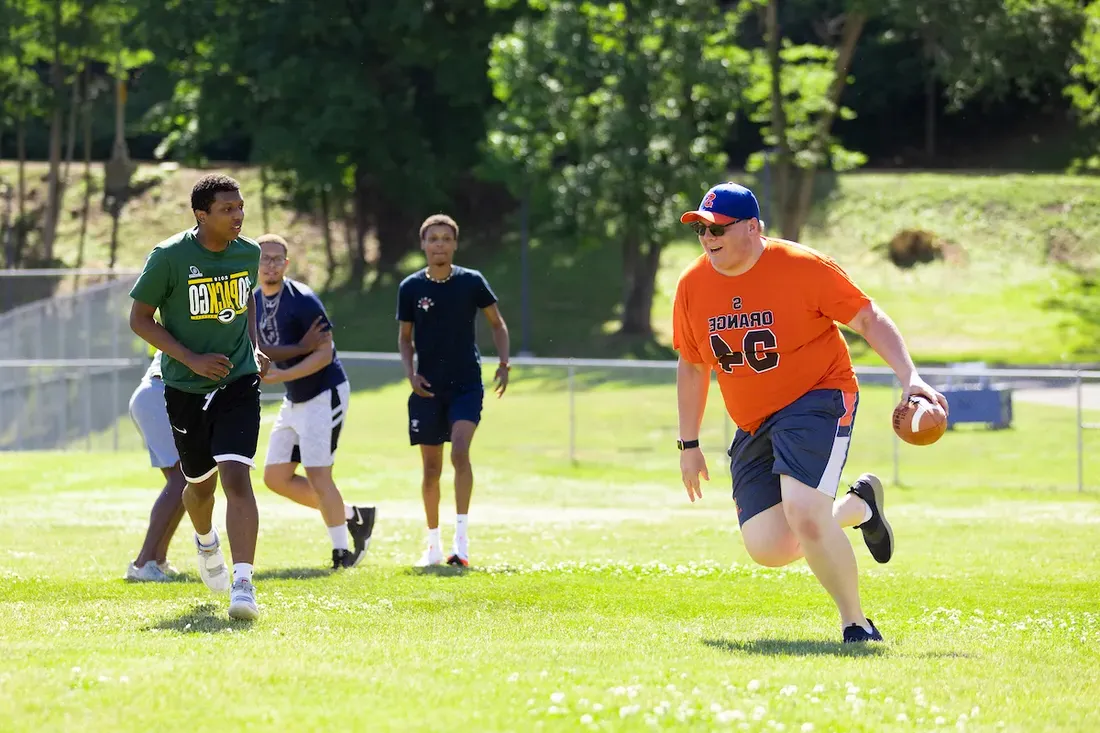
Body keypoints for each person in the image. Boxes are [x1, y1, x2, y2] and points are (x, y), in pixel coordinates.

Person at [673, 182, 948, 643]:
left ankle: (856, 624)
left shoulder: (801, 266)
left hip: (817, 396)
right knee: (769, 547)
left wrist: (911, 377)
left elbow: (866, 317)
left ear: (752, 228)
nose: (708, 236)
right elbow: (693, 365)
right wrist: (689, 444)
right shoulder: (693, 284)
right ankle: (859, 506)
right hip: (753, 420)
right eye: (701, 228)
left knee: (802, 511)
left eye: (718, 227)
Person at [128, 173, 270, 621]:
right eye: (227, 209)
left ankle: (244, 585)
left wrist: (253, 346)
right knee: (199, 486)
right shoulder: (168, 257)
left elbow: (244, 306)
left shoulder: (249, 253)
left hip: (237, 380)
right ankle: (206, 540)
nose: (238, 216)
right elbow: (140, 319)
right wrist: (190, 358)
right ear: (201, 214)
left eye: (240, 207)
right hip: (185, 386)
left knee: (237, 477)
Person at [253, 233, 377, 570]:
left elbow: (324, 354)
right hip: (294, 397)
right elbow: (264, 346)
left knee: (319, 474)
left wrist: (279, 376)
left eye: (278, 258)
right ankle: (353, 514)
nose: (271, 265)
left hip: (324, 394)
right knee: (275, 477)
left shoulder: (303, 299)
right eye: (265, 258)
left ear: (287, 263)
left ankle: (341, 553)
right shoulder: (253, 300)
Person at [397, 214, 510, 568]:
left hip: (465, 384)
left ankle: (461, 545)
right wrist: (411, 374)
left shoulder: (472, 282)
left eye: (446, 238)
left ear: (455, 244)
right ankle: (432, 545)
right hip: (428, 388)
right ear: (423, 244)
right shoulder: (411, 288)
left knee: (460, 452)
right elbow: (404, 338)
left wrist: (504, 364)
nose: (439, 245)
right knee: (431, 470)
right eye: (433, 239)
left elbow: (497, 324)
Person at [125, 349, 187, 582]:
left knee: (185, 485)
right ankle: (142, 563)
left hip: (158, 395)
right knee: (181, 480)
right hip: (157, 396)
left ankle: (157, 559)